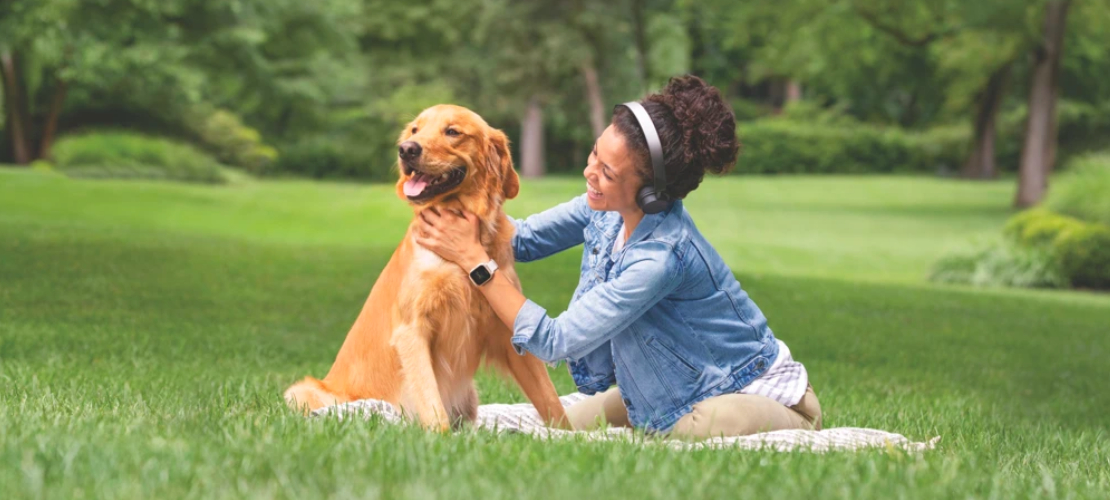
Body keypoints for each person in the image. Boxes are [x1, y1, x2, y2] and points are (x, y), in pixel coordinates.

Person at [414, 75, 820, 439]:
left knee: (678, 430)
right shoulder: (603, 208)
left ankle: (794, 419)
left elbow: (556, 340)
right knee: (560, 425)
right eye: (594, 155)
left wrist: (476, 262)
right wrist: (458, 216)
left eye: (608, 172)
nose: (590, 173)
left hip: (760, 394)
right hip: (670, 387)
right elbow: (523, 239)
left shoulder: (660, 259)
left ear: (650, 194)